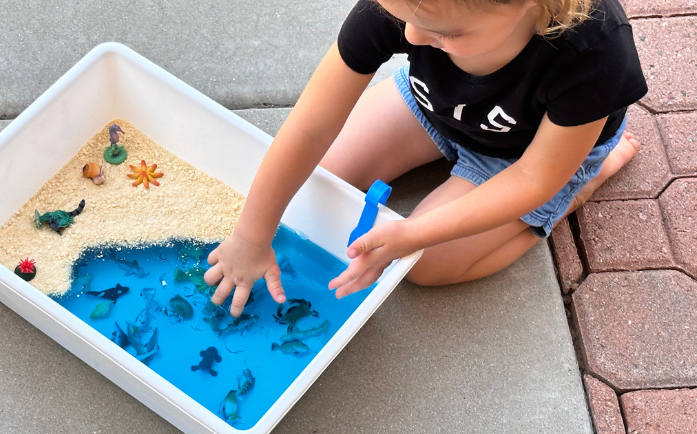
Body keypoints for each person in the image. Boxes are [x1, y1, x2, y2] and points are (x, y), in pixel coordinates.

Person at [204, 0, 647, 317]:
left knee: (424, 264)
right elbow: (309, 127)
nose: (411, 37)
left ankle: (581, 187)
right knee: (320, 182)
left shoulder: (595, 52)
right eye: (401, 16)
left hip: (528, 158)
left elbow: (534, 178)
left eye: (447, 33)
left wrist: (412, 233)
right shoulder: (412, 10)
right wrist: (250, 234)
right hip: (430, 106)